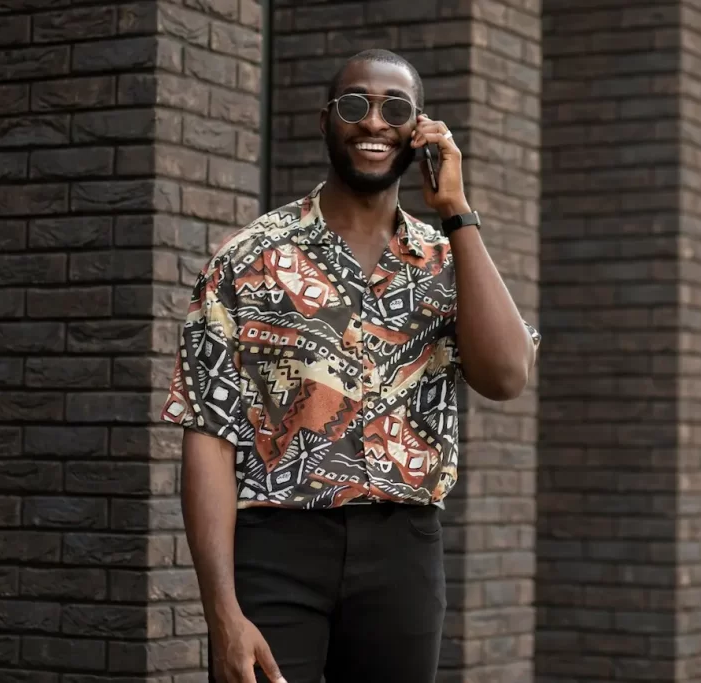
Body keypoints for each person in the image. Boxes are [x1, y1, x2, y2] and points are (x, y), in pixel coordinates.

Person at [160, 48, 541, 683]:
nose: (373, 122)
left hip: (403, 552)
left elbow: (505, 376)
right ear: (325, 120)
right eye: (355, 105)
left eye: (396, 108)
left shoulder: (447, 261)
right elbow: (207, 438)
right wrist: (222, 612)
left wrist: (457, 212)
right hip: (276, 550)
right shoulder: (247, 259)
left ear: (419, 129)